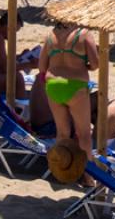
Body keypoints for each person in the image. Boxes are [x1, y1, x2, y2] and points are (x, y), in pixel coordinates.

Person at [39, 19, 98, 160]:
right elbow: (95, 64)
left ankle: (61, 170)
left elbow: (42, 67)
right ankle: (87, 175)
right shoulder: (83, 34)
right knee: (83, 134)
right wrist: (85, 67)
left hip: (53, 85)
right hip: (75, 86)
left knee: (62, 133)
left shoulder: (50, 36)